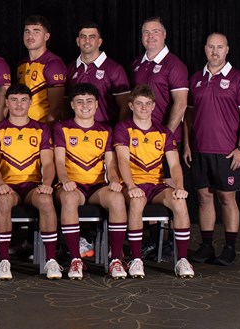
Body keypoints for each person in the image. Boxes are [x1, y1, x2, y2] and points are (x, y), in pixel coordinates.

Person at [184, 33, 240, 266]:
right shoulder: (196, 78)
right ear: (205, 49)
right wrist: (187, 144)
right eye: (211, 47)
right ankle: (206, 246)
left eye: (220, 47)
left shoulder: (238, 79)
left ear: (227, 50)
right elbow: (189, 116)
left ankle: (230, 248)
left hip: (227, 151)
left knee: (226, 198)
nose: (215, 52)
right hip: (200, 149)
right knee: (204, 197)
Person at [114, 85, 194, 278]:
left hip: (156, 185)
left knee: (179, 201)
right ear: (131, 106)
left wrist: (180, 186)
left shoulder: (164, 132)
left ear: (153, 106)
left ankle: (182, 260)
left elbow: (174, 165)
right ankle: (136, 259)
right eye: (139, 104)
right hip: (131, 184)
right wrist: (131, 185)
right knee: (136, 201)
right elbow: (123, 160)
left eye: (148, 104)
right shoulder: (123, 128)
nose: (144, 108)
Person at [128, 17, 189, 258]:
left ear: (164, 35)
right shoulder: (137, 64)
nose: (150, 36)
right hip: (138, 142)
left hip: (164, 142)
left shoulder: (174, 64)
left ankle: (172, 242)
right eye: (145, 32)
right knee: (144, 187)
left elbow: (181, 103)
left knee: (169, 189)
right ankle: (154, 240)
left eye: (155, 32)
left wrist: (166, 138)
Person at [54, 83, 127, 279]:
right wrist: (65, 180)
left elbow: (111, 165)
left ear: (96, 105)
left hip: (95, 187)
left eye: (89, 101)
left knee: (117, 198)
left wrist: (114, 180)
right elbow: (59, 162)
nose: (84, 106)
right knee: (69, 198)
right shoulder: (62, 127)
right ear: (72, 105)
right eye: (79, 102)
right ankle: (76, 260)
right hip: (71, 185)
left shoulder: (105, 130)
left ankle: (116, 260)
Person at [0, 84, 60, 280]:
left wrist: (47, 183)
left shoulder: (41, 128)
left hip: (31, 186)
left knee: (46, 200)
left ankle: (51, 260)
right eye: (14, 100)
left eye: (23, 100)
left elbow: (48, 162)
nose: (19, 104)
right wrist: (0, 184)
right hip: (7, 185)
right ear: (7, 103)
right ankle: (4, 260)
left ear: (30, 102)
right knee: (2, 201)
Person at [65, 23, 130, 124]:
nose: (87, 41)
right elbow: (65, 106)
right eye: (83, 37)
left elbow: (125, 107)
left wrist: (119, 133)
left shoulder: (114, 69)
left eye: (92, 37)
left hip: (106, 133)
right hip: (75, 134)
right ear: (78, 41)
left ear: (99, 42)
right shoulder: (70, 69)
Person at [16, 15, 65, 125]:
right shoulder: (21, 65)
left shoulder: (53, 63)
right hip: (22, 129)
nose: (30, 36)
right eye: (27, 31)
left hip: (41, 130)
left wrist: (45, 135)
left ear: (46, 36)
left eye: (36, 31)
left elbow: (56, 108)